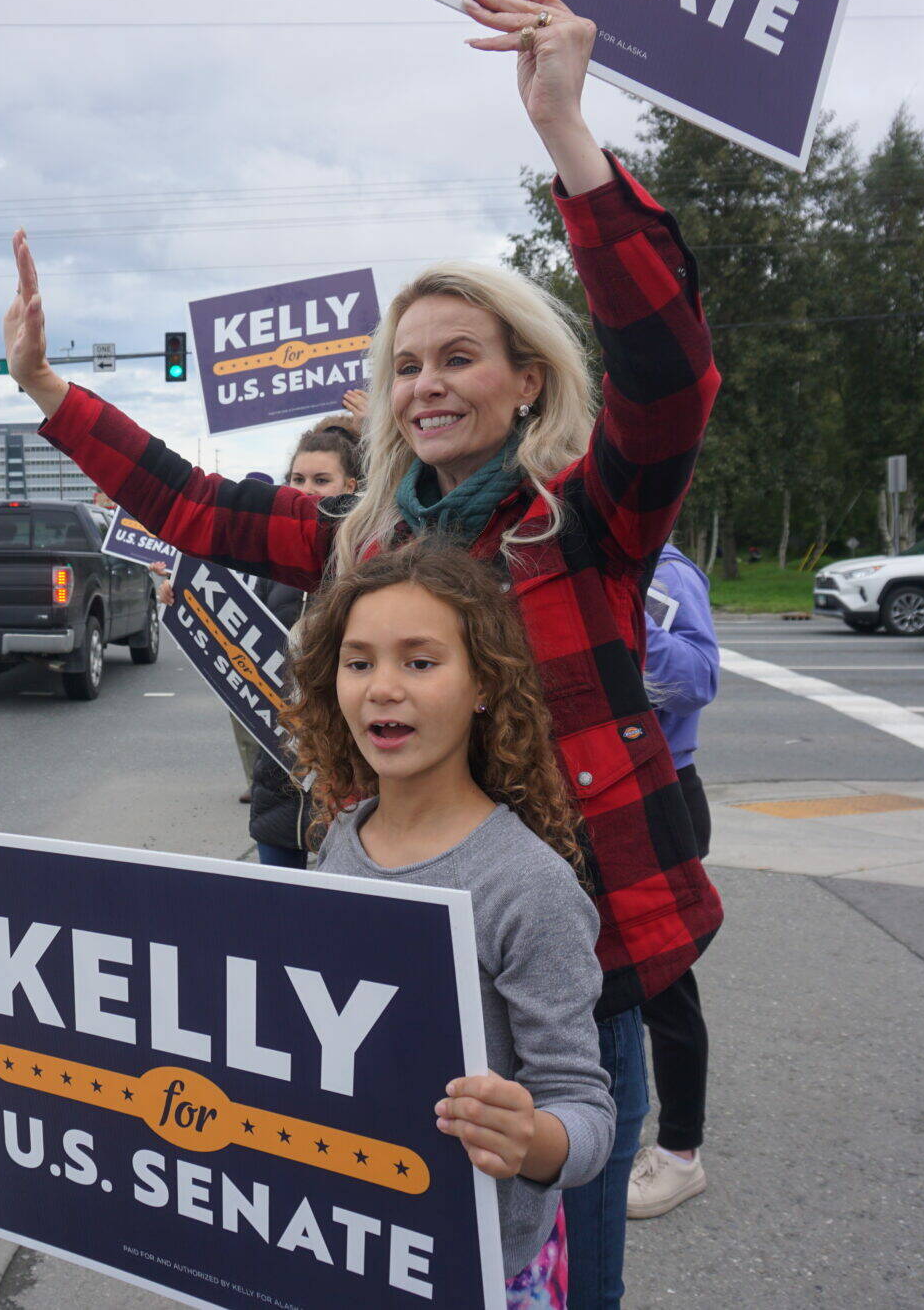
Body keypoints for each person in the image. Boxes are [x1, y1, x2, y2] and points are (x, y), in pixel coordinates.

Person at [5, 0, 720, 1307]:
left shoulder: (591, 518)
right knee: (408, 1250)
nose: (429, 384)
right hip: (403, 958)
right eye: (406, 364)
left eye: (460, 357)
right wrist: (51, 393)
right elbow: (193, 505)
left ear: (525, 378)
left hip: (579, 952)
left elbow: (673, 376)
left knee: (562, 1266)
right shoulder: (367, 536)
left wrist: (568, 136)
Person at [291, 537, 613, 1306]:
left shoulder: (529, 885)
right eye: (359, 661)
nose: (383, 689)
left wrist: (530, 1137)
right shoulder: (338, 836)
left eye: (420, 661)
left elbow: (586, 1109)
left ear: (482, 685)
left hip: (481, 1269)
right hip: (345, 1238)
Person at [627, 541, 719, 1220]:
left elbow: (698, 680)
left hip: (660, 794)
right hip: (577, 787)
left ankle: (681, 1153)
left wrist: (628, 619)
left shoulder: (667, 570)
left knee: (661, 981)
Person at [250, 416, 365, 866]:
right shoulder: (272, 563)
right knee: (277, 926)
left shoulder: (370, 561)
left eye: (322, 479)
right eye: (297, 479)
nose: (307, 489)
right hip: (278, 778)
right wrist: (180, 596)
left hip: (346, 780)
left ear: (351, 485)